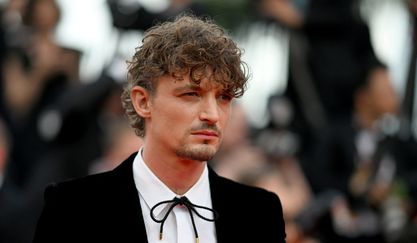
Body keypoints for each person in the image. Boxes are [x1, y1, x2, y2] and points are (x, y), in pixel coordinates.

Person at [32, 14, 286, 243]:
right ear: (143, 101)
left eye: (224, 98)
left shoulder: (260, 212)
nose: (212, 115)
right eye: (191, 94)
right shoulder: (72, 208)